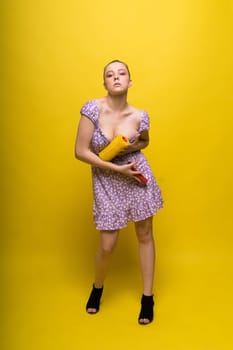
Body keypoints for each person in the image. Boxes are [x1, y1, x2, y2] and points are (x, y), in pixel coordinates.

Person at [75, 60, 163, 325]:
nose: (116, 77)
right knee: (107, 245)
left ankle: (148, 298)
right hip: (106, 178)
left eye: (121, 73)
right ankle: (97, 287)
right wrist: (115, 169)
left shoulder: (140, 115)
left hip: (136, 175)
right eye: (110, 74)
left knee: (145, 234)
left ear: (130, 81)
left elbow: (145, 140)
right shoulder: (92, 109)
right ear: (104, 83)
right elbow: (80, 151)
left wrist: (134, 146)